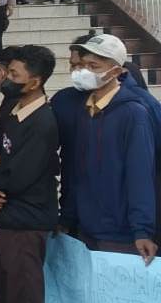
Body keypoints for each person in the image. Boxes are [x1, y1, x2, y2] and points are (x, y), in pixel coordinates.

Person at [55, 34, 157, 263]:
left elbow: (140, 175)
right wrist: (68, 217)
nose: (84, 72)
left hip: (119, 233)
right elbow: (75, 168)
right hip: (85, 227)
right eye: (83, 65)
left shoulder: (133, 113)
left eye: (94, 66)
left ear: (116, 71)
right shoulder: (86, 109)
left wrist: (142, 230)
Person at [0, 45, 59, 303]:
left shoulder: (42, 123)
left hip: (26, 223)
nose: (7, 80)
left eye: (14, 75)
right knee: (5, 292)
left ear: (34, 82)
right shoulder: (15, 113)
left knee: (23, 293)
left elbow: (16, 175)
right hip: (9, 219)